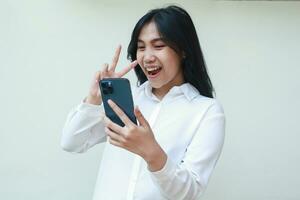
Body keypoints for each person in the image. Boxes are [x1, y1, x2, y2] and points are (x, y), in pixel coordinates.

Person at [61, 5, 225, 200]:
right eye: (141, 47)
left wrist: (151, 151)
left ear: (183, 50)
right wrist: (94, 100)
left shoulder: (206, 111)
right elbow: (71, 143)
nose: (147, 57)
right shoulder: (128, 99)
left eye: (158, 46)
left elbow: (188, 193)